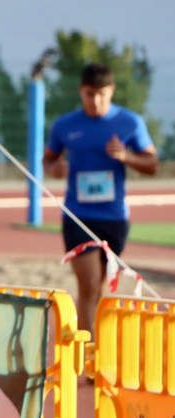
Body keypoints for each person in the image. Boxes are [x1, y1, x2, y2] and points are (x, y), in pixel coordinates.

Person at [44, 62, 158, 333]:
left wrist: (125, 156)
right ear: (80, 92)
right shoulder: (65, 125)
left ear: (112, 91)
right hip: (77, 215)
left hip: (114, 217)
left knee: (102, 287)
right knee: (89, 283)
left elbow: (152, 164)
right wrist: (55, 169)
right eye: (89, 94)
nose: (95, 101)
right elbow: (48, 160)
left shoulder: (129, 122)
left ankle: (100, 346)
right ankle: (89, 354)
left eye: (102, 94)